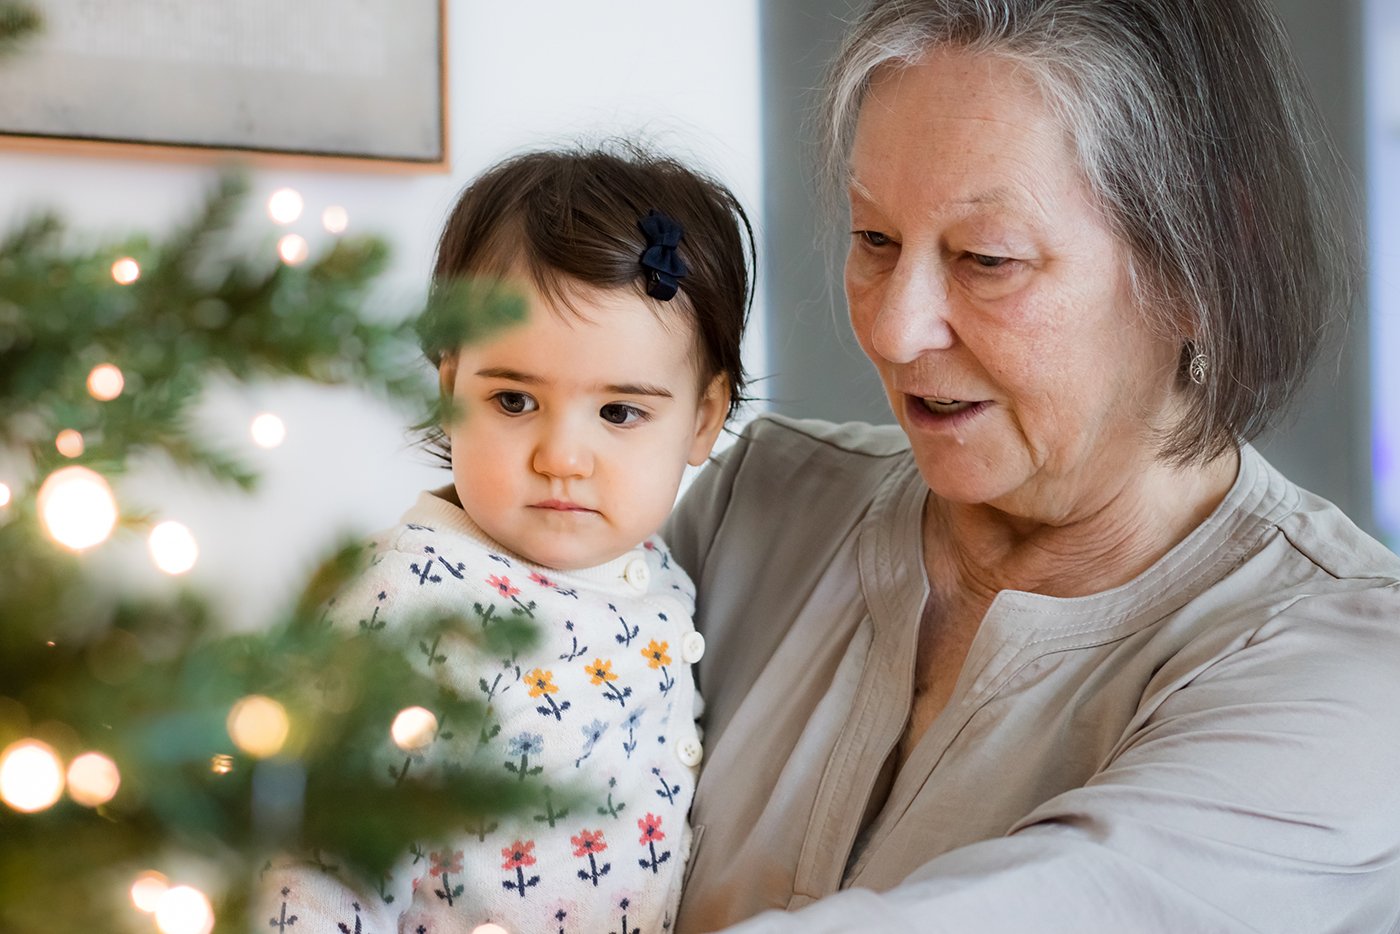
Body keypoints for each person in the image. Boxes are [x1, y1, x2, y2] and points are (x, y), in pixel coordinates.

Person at [664, 1, 1400, 931]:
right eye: (874, 240)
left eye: (987, 258)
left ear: (1201, 267)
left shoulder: (1351, 671)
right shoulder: (755, 504)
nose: (894, 329)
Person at [260, 143, 753, 934]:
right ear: (451, 384)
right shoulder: (407, 599)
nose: (561, 456)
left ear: (701, 419)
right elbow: (317, 863)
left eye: (620, 413)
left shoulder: (655, 568)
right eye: (516, 401)